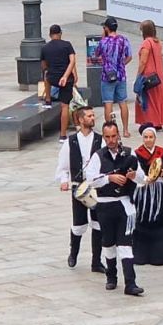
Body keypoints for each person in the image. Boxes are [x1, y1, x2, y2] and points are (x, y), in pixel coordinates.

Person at [85, 121, 144, 296]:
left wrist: (134, 176)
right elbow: (90, 180)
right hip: (104, 204)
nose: (111, 140)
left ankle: (131, 283)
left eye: (113, 136)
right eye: (107, 137)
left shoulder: (129, 153)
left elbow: (141, 176)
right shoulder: (98, 156)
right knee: (108, 243)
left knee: (125, 244)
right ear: (104, 137)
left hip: (124, 203)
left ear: (118, 135)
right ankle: (111, 276)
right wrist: (109, 178)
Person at [56, 105, 103, 271]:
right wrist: (64, 180)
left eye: (93, 116)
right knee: (79, 224)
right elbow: (63, 164)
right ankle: (73, 253)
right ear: (81, 119)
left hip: (96, 186)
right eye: (89, 116)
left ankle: (96, 261)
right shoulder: (71, 141)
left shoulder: (100, 139)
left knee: (98, 223)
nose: (92, 118)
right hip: (78, 187)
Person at [132, 125, 163, 267]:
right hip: (145, 191)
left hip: (161, 190)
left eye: (151, 137)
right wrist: (147, 179)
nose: (148, 140)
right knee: (144, 218)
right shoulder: (136, 154)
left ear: (155, 138)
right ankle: (143, 255)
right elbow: (137, 172)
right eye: (145, 137)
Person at [39, 24, 78, 141]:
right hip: (67, 79)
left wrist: (49, 70)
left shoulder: (45, 48)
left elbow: (43, 66)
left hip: (52, 78)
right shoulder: (67, 45)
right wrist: (66, 76)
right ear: (60, 34)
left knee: (46, 76)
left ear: (50, 35)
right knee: (64, 106)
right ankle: (62, 135)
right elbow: (72, 61)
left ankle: (48, 100)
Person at [96, 17, 133, 137]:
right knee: (123, 102)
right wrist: (121, 65)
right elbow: (129, 56)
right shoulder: (124, 40)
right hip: (121, 75)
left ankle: (109, 131)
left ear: (106, 28)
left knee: (108, 103)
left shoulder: (103, 42)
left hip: (107, 75)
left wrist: (103, 37)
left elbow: (96, 54)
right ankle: (126, 130)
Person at [134, 20, 163, 130]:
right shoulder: (157, 42)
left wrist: (138, 75)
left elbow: (143, 61)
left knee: (148, 99)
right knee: (158, 99)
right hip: (159, 75)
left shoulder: (146, 43)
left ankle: (151, 122)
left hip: (148, 75)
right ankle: (159, 121)